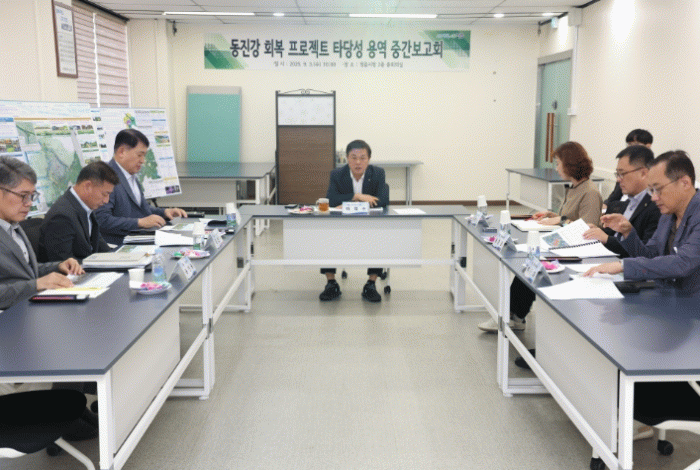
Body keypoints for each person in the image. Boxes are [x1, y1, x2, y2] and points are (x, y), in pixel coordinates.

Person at [584, 150, 700, 431]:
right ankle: (638, 412)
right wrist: (628, 233)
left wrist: (624, 266)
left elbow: (683, 263)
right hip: (671, 308)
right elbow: (651, 255)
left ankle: (653, 411)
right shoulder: (668, 214)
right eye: (651, 190)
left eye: (658, 189)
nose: (654, 197)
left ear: (685, 183)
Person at [479, 141, 602, 333]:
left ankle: (512, 314)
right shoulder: (575, 187)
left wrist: (560, 220)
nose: (556, 168)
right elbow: (569, 217)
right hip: (563, 243)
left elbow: (588, 230)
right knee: (528, 264)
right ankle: (515, 314)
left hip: (577, 253)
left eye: (558, 163)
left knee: (531, 264)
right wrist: (551, 215)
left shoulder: (590, 193)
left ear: (570, 164)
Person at [0, 156, 83, 311]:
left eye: (32, 195)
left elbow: (25, 271)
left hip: (27, 309)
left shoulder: (14, 226)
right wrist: (36, 285)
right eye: (23, 195)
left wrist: (58, 266)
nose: (29, 203)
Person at [319, 140, 389, 303]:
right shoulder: (337, 174)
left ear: (369, 159)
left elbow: (383, 201)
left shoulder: (378, 173)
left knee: (380, 236)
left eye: (362, 158)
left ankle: (371, 284)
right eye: (354, 157)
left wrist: (346, 204)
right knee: (326, 234)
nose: (358, 162)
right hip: (342, 224)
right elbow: (331, 199)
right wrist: (357, 196)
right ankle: (331, 283)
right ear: (347, 158)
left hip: (370, 224)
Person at [95, 129, 187, 245]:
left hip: (139, 239)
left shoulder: (130, 175)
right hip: (118, 245)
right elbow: (102, 220)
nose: (143, 161)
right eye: (139, 155)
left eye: (144, 155)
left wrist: (165, 212)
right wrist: (139, 222)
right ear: (122, 152)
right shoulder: (106, 177)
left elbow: (142, 209)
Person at [582, 145, 661, 257]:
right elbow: (616, 235)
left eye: (622, 174)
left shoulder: (656, 206)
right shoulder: (630, 201)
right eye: (617, 174)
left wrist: (606, 239)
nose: (618, 179)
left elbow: (645, 252)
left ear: (643, 173)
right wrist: (597, 231)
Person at [39, 161, 119, 262]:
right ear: (87, 186)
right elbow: (65, 263)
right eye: (104, 194)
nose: (106, 200)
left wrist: (119, 260)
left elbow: (100, 245)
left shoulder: (85, 206)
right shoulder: (61, 216)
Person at [603, 129, 653, 210]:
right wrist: (606, 205)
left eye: (635, 144)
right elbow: (615, 196)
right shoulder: (625, 167)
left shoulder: (655, 171)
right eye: (629, 144)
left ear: (648, 146)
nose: (631, 148)